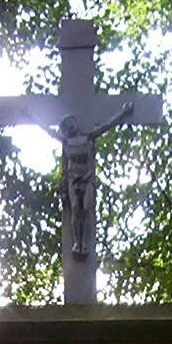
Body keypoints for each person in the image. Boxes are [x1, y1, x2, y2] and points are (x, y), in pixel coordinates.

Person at [48, 102, 134, 259]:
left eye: (71, 122)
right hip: (73, 179)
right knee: (75, 208)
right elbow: (48, 131)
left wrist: (123, 114)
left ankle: (84, 243)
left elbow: (107, 125)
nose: (70, 126)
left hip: (87, 177)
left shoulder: (88, 137)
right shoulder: (66, 142)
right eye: (67, 125)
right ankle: (77, 242)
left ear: (75, 122)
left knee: (86, 209)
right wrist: (30, 116)